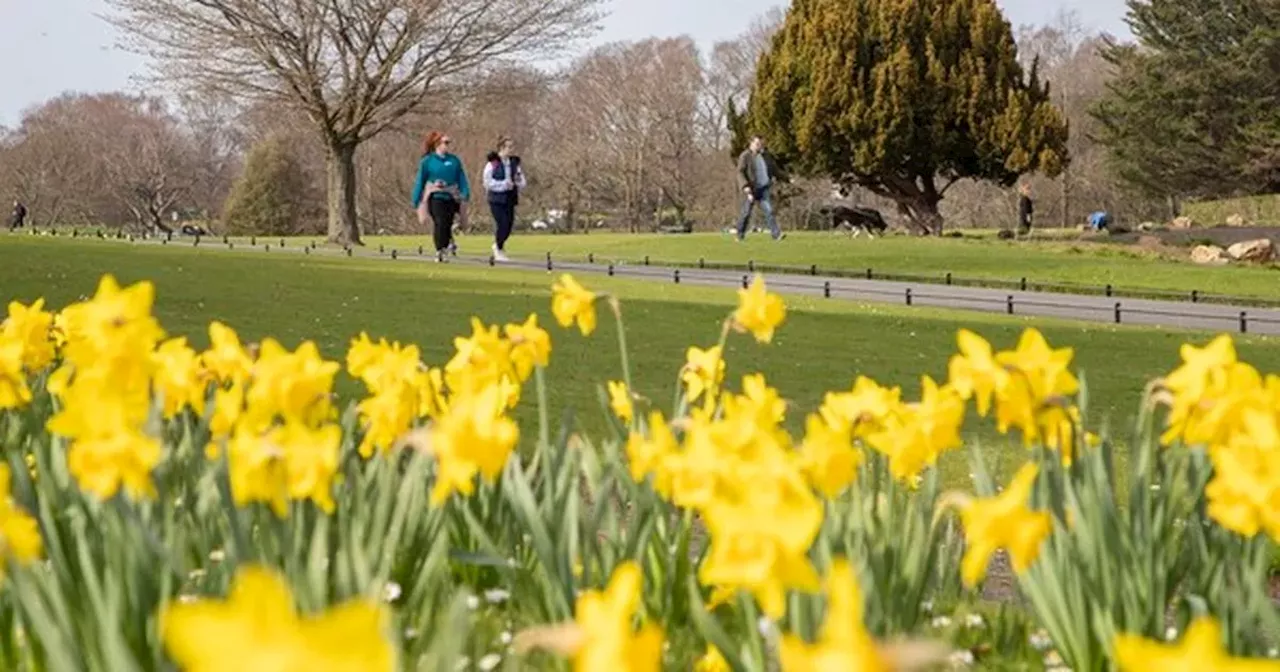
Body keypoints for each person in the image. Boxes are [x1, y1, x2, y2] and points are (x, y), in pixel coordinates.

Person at [411, 131, 471, 262]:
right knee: (440, 222)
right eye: (445, 142)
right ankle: (440, 249)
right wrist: (416, 199)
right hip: (435, 196)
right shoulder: (428, 161)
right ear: (437, 144)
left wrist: (465, 193)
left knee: (447, 223)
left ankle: (446, 245)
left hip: (450, 196)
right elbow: (420, 180)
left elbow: (461, 178)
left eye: (449, 143)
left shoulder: (454, 160)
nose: (448, 145)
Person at [483, 136, 527, 262]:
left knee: (509, 225)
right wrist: (502, 185)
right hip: (496, 198)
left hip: (510, 198)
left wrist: (517, 182)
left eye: (512, 146)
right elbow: (487, 182)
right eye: (509, 146)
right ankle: (498, 248)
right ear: (502, 147)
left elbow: (522, 181)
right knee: (501, 223)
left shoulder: (514, 164)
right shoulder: (493, 163)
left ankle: (499, 244)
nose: (511, 149)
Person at [735, 135, 787, 241]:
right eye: (757, 144)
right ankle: (740, 235)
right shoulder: (745, 156)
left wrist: (787, 178)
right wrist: (745, 186)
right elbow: (740, 172)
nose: (760, 146)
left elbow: (775, 170)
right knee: (746, 213)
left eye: (761, 144)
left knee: (769, 211)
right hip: (751, 189)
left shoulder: (766, 156)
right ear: (751, 143)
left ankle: (776, 235)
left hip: (763, 188)